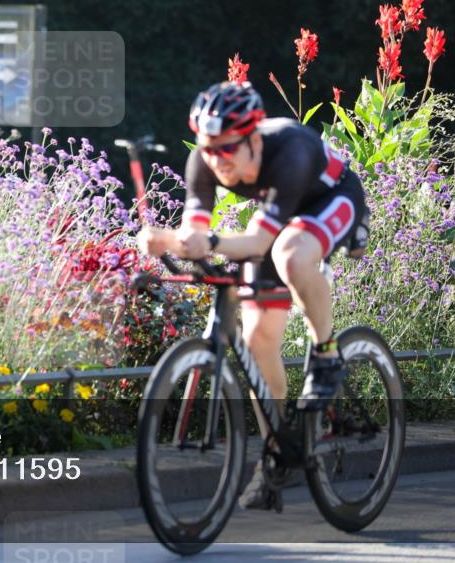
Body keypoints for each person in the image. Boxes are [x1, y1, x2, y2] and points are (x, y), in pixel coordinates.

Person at [137, 80, 370, 510]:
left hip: (330, 200)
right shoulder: (203, 162)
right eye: (209, 149)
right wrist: (164, 240)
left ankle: (327, 351)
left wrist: (206, 243)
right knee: (258, 339)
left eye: (226, 149)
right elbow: (195, 233)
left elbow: (258, 242)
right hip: (276, 222)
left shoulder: (289, 150)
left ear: (253, 139)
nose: (215, 159)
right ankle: (274, 458)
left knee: (291, 253)